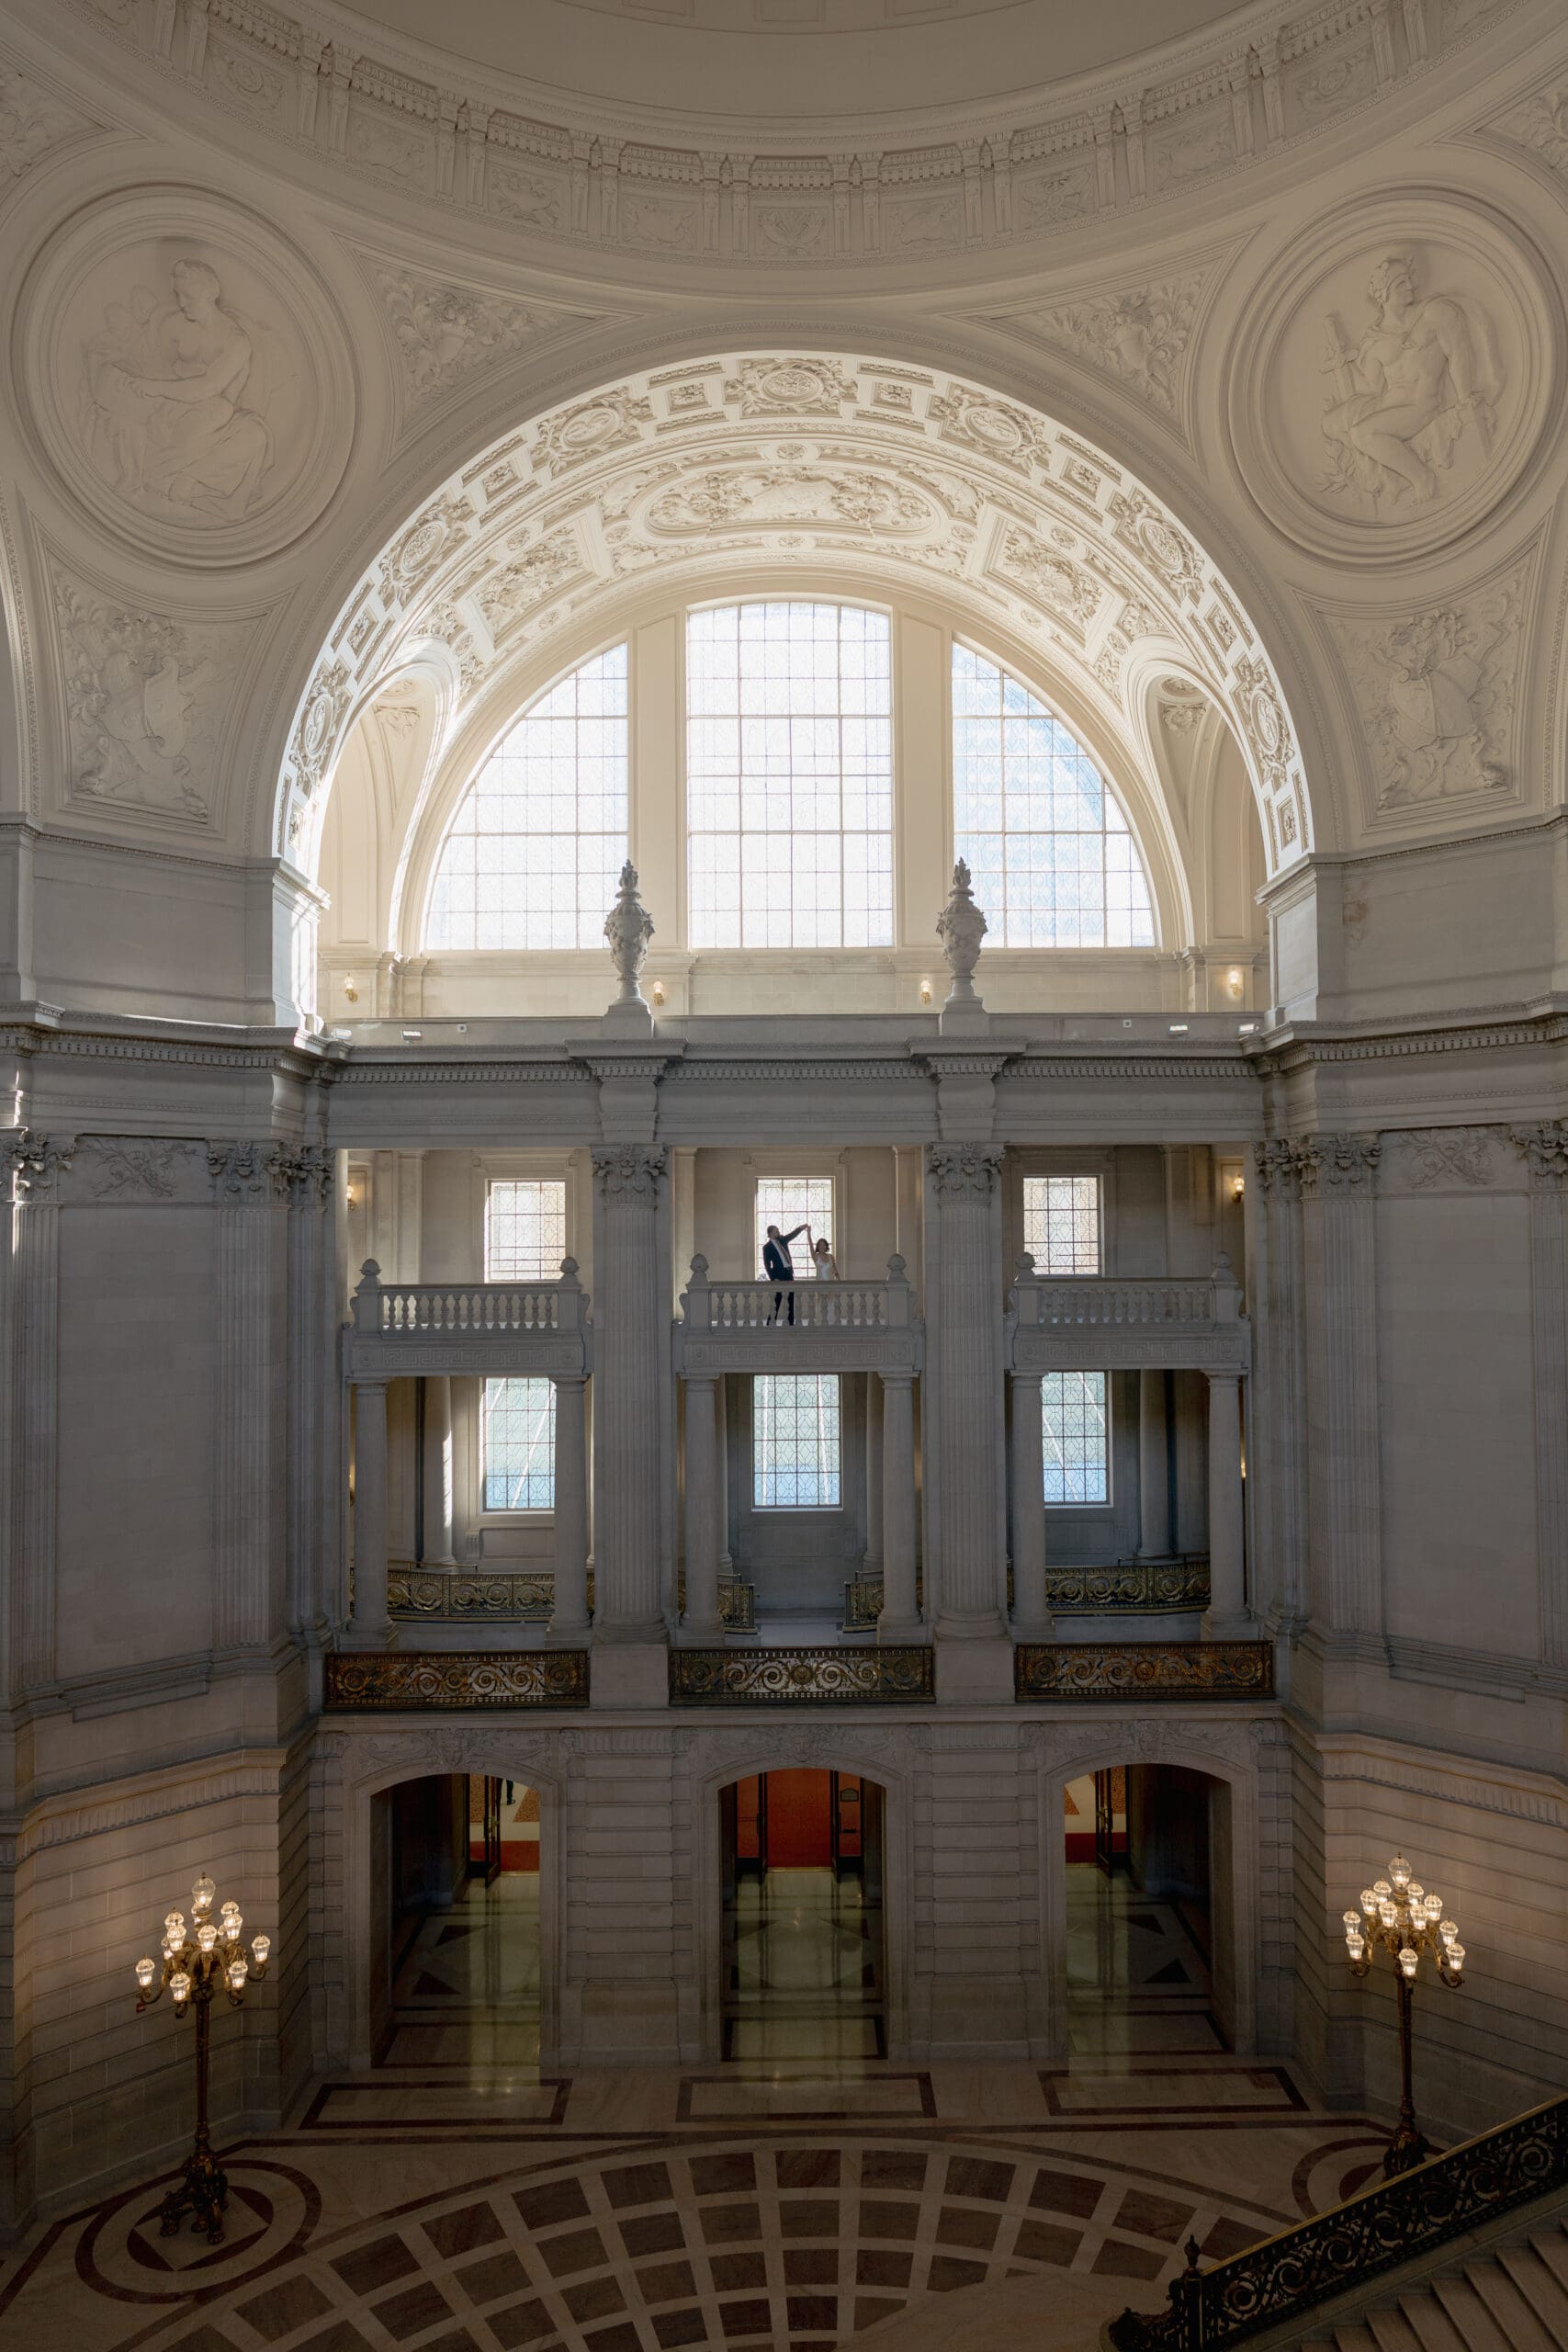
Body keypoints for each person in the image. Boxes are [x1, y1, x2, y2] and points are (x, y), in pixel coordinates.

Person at [762, 1220, 808, 1325]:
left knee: (790, 1300)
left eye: (778, 1230)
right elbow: (767, 1264)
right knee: (777, 1301)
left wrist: (800, 1228)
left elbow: (792, 1235)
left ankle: (791, 1323)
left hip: (788, 1274)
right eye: (776, 1230)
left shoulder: (782, 1240)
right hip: (778, 1276)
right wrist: (773, 1278)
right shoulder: (767, 1247)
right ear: (770, 1234)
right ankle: (770, 1323)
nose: (778, 1231)